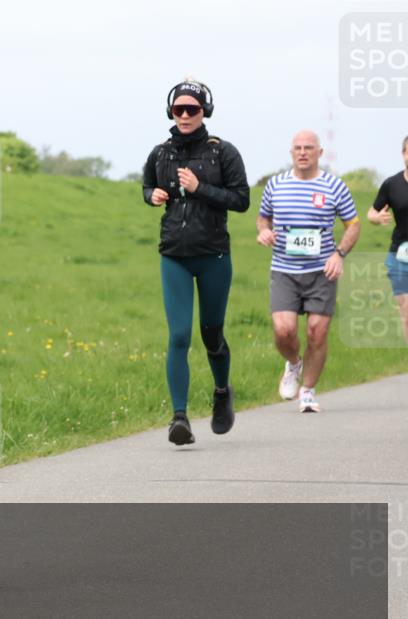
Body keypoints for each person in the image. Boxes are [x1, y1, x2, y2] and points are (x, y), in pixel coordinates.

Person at [142, 80, 250, 446]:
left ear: (206, 112)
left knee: (211, 334)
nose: (185, 115)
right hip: (174, 254)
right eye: (179, 110)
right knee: (178, 335)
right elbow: (147, 186)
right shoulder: (160, 153)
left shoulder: (224, 153)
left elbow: (241, 200)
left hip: (214, 255)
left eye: (193, 109)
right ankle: (179, 418)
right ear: (170, 112)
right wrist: (152, 194)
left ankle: (222, 392)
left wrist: (199, 187)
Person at [256, 130, 361, 413]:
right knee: (283, 330)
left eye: (309, 148)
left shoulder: (334, 186)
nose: (303, 152)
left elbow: (353, 225)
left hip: (321, 271)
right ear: (291, 152)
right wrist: (264, 231)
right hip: (284, 270)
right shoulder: (276, 185)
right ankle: (293, 363)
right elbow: (263, 217)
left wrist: (339, 255)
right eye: (298, 148)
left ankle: (308, 391)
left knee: (317, 332)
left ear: (319, 153)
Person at [367, 135, 408, 344]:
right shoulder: (392, 184)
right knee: (406, 310)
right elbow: (371, 213)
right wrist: (377, 217)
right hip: (400, 257)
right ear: (404, 154)